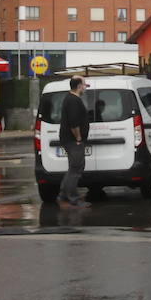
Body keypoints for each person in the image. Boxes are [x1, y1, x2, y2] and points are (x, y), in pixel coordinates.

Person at [58, 76, 91, 207]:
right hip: (73, 141)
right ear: (78, 86)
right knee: (76, 169)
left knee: (73, 168)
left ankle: (63, 194)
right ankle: (73, 198)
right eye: (84, 85)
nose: (85, 87)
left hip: (69, 140)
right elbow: (73, 122)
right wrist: (78, 137)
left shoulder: (71, 99)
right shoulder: (73, 101)